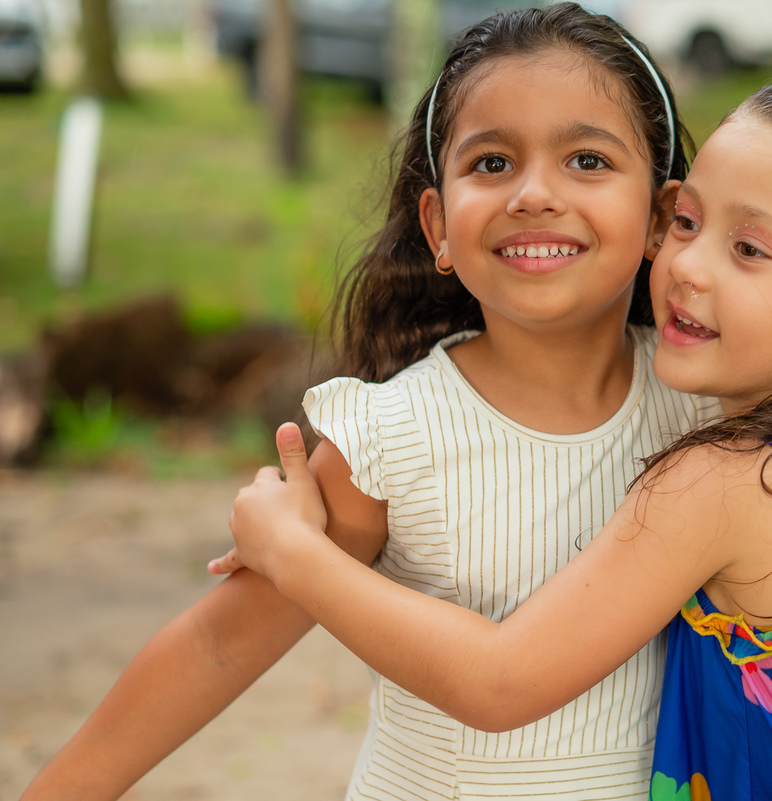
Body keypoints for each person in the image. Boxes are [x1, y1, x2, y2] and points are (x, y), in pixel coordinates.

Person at [218, 80, 772, 800]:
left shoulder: (729, 480)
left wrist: (294, 551)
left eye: (748, 248)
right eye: (686, 221)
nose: (686, 265)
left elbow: (500, 680)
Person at [20, 6, 718, 800]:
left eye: (587, 160)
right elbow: (218, 645)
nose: (534, 193)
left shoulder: (708, 411)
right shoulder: (394, 438)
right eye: (492, 163)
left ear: (661, 217)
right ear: (438, 225)